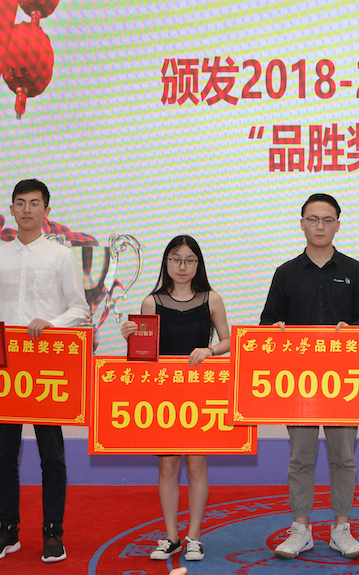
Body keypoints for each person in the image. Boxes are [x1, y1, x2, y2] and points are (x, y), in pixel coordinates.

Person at [0, 179, 90, 564]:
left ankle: (53, 532)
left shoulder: (61, 256)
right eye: (20, 203)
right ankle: (7, 531)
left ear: (46, 211)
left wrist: (52, 323)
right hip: (5, 368)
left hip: (45, 367)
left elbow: (80, 308)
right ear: (12, 209)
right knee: (4, 453)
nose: (26, 210)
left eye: (34, 204)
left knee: (51, 455)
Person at [259, 193, 359, 560]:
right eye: (313, 219)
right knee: (301, 458)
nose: (320, 226)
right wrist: (276, 329)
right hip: (300, 385)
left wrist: (354, 329)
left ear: (338, 225)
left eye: (327, 220)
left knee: (344, 458)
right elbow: (267, 323)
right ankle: (301, 529)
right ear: (302, 224)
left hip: (343, 384)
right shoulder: (286, 272)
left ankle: (341, 529)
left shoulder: (354, 270)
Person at [120, 235, 232, 563]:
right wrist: (130, 338)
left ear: (198, 264)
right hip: (164, 394)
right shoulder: (151, 302)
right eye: (176, 259)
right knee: (167, 466)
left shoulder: (211, 299)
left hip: (198, 392)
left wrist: (209, 350)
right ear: (166, 262)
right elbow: (146, 353)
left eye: (189, 260)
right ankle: (171, 536)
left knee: (197, 465)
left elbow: (228, 340)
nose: (182, 266)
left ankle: (194, 537)